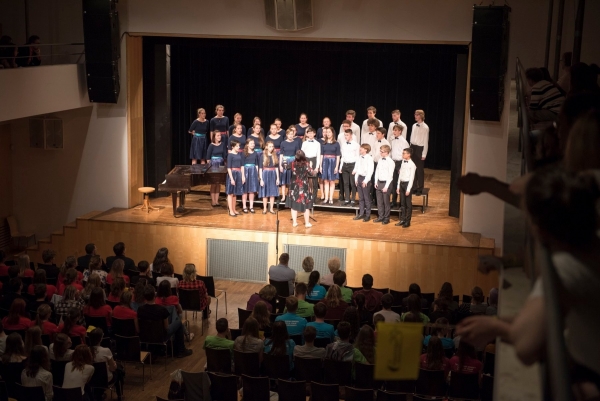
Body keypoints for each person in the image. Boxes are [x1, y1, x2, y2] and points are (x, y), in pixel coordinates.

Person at [138, 286, 192, 358]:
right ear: (155, 296)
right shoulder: (162, 309)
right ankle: (181, 350)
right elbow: (166, 327)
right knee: (179, 323)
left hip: (145, 336)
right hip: (160, 336)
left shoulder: (140, 309)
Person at [89, 328, 124, 401]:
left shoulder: (86, 350)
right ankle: (120, 395)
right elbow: (113, 368)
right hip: (105, 380)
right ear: (101, 338)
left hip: (91, 380)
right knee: (119, 371)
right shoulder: (106, 350)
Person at [286, 149, 316, 228]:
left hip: (294, 186)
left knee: (293, 205)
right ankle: (306, 223)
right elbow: (312, 173)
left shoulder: (292, 164)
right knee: (306, 205)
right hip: (304, 187)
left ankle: (295, 222)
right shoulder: (306, 164)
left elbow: (285, 167)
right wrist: (312, 166)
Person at [395, 147, 417, 228]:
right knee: (402, 203)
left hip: (407, 184)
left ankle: (408, 221)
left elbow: (411, 178)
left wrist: (408, 189)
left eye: (404, 153)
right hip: (402, 183)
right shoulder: (403, 162)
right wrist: (398, 186)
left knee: (408, 204)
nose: (402, 154)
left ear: (409, 155)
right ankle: (402, 219)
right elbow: (400, 175)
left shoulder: (412, 165)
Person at [353, 143, 374, 222]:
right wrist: (356, 179)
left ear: (366, 149)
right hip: (359, 178)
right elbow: (357, 168)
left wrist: (365, 181)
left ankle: (367, 215)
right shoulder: (359, 157)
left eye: (361, 148)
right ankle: (361, 213)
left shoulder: (369, 158)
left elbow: (370, 171)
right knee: (361, 198)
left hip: (366, 180)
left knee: (366, 198)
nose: (360, 149)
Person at [410, 109, 429, 195]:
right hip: (413, 147)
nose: (415, 116)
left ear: (421, 116)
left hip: (420, 148)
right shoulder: (414, 125)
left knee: (419, 170)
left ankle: (420, 188)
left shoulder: (425, 127)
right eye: (415, 114)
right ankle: (414, 187)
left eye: (417, 115)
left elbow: (426, 141)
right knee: (413, 169)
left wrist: (424, 153)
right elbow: (411, 137)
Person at [320, 128, 341, 205]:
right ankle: (326, 198)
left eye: (329, 132)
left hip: (332, 162)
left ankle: (331, 198)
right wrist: (320, 166)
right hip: (325, 162)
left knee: (332, 181)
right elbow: (321, 155)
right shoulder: (323, 144)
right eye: (326, 132)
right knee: (325, 181)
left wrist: (336, 166)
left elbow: (338, 156)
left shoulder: (336, 144)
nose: (328, 133)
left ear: (332, 133)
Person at [374, 145, 394, 224]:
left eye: (382, 152)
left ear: (386, 152)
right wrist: (376, 181)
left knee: (386, 202)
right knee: (379, 201)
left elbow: (390, 175)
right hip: (379, 182)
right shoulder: (380, 160)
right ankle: (380, 216)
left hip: (386, 183)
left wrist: (386, 186)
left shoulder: (390, 162)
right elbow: (377, 171)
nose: (380, 153)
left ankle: (386, 217)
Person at [279, 128, 301, 201]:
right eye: (289, 134)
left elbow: (297, 154)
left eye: (292, 134)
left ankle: (291, 195)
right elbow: (281, 155)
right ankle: (283, 196)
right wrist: (280, 165)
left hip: (293, 161)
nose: (291, 135)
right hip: (285, 161)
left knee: (292, 180)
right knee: (284, 180)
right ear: (287, 135)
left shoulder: (296, 143)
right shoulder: (283, 143)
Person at [259, 141, 280, 214]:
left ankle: (271, 208)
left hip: (273, 174)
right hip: (265, 174)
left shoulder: (275, 156)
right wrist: (261, 179)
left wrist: (277, 178)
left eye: (272, 146)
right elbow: (260, 169)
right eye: (270, 146)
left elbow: (276, 168)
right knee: (265, 193)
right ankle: (265, 208)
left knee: (272, 193)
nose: (271, 148)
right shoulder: (263, 156)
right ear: (267, 147)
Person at [206, 131, 226, 206]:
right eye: (218, 135)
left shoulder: (222, 144)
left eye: (220, 135)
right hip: (213, 165)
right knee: (213, 184)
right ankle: (213, 201)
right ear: (214, 137)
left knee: (218, 184)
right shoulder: (211, 145)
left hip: (220, 165)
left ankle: (217, 201)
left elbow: (224, 155)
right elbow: (208, 158)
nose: (219, 137)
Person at [340, 129, 359, 205]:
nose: (345, 137)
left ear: (351, 135)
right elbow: (343, 156)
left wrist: (355, 168)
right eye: (345, 135)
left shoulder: (356, 145)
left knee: (352, 183)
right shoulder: (343, 144)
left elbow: (357, 157)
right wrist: (340, 167)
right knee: (346, 183)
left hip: (352, 165)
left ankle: (353, 199)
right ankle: (347, 199)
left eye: (347, 135)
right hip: (345, 165)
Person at [225, 140, 244, 217]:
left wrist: (243, 176)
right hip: (232, 174)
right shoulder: (230, 155)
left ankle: (234, 209)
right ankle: (231, 210)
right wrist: (232, 178)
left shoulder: (240, 154)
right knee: (230, 193)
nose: (238, 147)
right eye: (237, 146)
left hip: (238, 173)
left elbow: (242, 166)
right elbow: (229, 168)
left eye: (239, 146)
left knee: (235, 193)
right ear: (232, 146)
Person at [301, 127, 321, 198]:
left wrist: (317, 166)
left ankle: (314, 197)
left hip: (314, 159)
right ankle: (307, 195)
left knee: (314, 180)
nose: (310, 134)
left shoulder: (317, 143)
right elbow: (302, 154)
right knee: (306, 179)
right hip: (306, 160)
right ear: (307, 134)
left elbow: (318, 155)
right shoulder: (304, 143)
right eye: (309, 133)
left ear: (314, 134)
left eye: (311, 133)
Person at [241, 140, 260, 213]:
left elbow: (256, 165)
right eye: (251, 143)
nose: (253, 144)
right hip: (246, 172)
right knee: (245, 190)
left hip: (253, 172)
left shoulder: (255, 153)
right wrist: (243, 176)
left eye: (253, 143)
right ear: (247, 144)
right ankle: (244, 206)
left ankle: (251, 206)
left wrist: (257, 174)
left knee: (252, 190)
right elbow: (242, 165)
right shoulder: (243, 153)